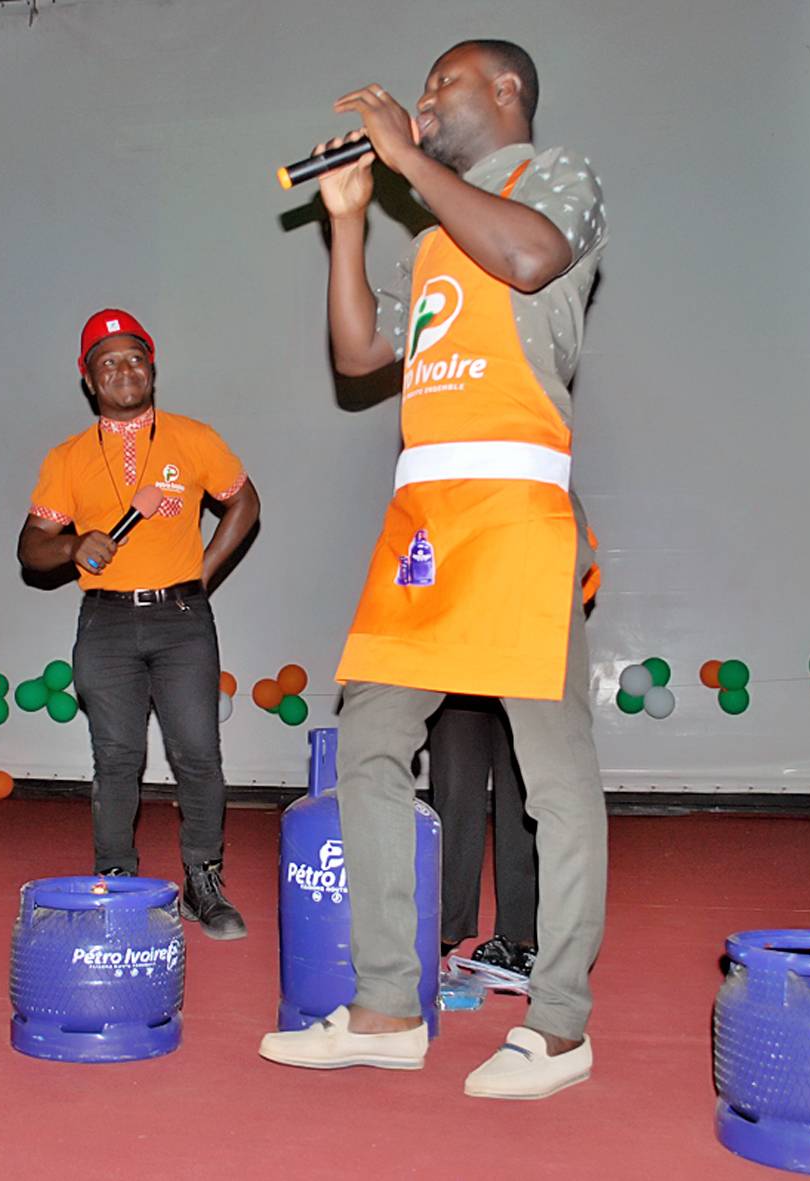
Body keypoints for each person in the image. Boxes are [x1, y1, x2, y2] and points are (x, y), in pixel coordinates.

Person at [258, 40, 608, 1098]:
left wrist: (408, 163)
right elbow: (360, 355)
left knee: (551, 770)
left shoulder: (554, 177)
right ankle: (385, 1008)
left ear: (505, 90)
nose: (421, 100)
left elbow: (531, 259)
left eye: (441, 83)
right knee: (368, 734)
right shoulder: (432, 235)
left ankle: (559, 1024)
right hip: (423, 521)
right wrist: (349, 219)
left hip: (513, 510)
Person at [18, 308, 261, 940]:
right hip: (106, 623)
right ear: (88, 379)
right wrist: (71, 546)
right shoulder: (68, 457)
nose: (123, 369)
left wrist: (202, 573)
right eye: (108, 362)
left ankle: (203, 883)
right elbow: (31, 547)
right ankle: (116, 881)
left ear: (151, 367)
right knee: (116, 758)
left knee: (197, 753)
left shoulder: (193, 438)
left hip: (182, 620)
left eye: (134, 357)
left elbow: (244, 501)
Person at [428, 696, 536, 974]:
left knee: (522, 803)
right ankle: (447, 921)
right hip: (459, 679)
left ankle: (521, 931)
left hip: (524, 678)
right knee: (454, 796)